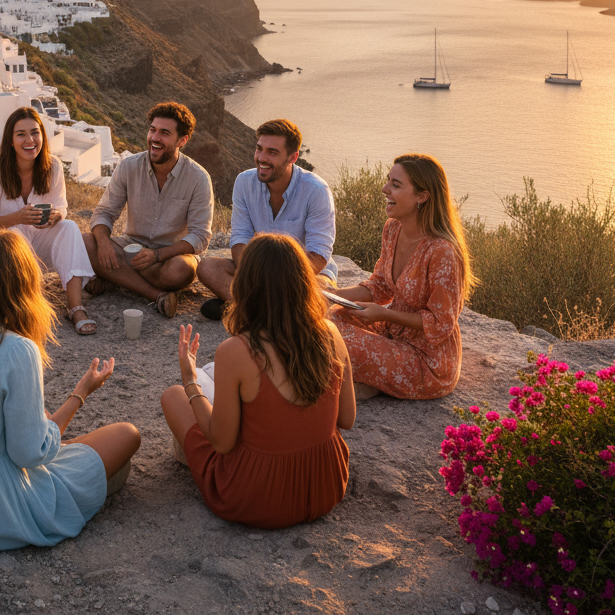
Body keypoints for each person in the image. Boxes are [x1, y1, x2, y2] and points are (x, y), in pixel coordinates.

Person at [0, 230, 141, 550]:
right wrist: (81, 393)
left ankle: (63, 446)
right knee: (127, 435)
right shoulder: (16, 350)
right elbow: (29, 454)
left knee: (53, 435)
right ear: (23, 286)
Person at [160, 234, 354, 528]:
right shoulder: (330, 333)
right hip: (325, 486)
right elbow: (347, 419)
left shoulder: (237, 350)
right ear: (304, 282)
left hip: (255, 497)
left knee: (173, 396)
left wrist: (190, 381)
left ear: (245, 287)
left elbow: (223, 443)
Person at [328, 153, 474, 400]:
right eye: (388, 181)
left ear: (422, 196)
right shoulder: (393, 228)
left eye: (395, 185)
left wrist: (383, 314)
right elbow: (380, 286)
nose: (385, 189)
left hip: (426, 361)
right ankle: (370, 378)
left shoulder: (442, 251)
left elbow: (441, 323)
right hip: (391, 332)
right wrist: (331, 294)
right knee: (328, 316)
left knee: (330, 338)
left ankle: (367, 380)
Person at [0, 107, 99, 334]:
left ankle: (75, 306)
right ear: (10, 140)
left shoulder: (52, 166)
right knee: (14, 234)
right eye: (21, 134)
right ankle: (25, 306)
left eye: (35, 132)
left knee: (69, 227)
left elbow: (61, 207)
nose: (30, 140)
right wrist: (18, 217)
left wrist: (56, 217)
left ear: (42, 136)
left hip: (33, 239)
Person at [196, 118, 337, 320]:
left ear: (293, 157)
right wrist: (257, 275)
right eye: (259, 149)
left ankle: (243, 308)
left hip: (303, 275)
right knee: (208, 268)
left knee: (323, 292)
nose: (262, 158)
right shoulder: (244, 182)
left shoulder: (316, 190)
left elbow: (319, 256)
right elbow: (240, 239)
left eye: (272, 152)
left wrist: (274, 282)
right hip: (259, 269)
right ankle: (269, 313)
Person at [83, 101, 213, 318]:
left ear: (182, 140)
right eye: (153, 130)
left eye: (164, 133)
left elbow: (200, 237)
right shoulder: (129, 166)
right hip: (130, 247)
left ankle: (115, 276)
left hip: (171, 255)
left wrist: (157, 255)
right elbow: (104, 212)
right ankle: (157, 295)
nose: (154, 138)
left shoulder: (198, 178)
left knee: (181, 271)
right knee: (87, 242)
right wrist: (104, 242)